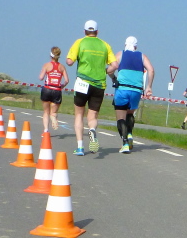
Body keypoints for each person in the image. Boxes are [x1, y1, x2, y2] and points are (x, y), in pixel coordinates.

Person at [66, 19, 118, 156]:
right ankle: (92, 130)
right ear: (97, 32)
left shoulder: (79, 42)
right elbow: (115, 65)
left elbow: (69, 62)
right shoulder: (105, 45)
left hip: (82, 82)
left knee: (79, 114)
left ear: (84, 31)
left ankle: (80, 147)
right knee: (93, 115)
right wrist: (105, 71)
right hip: (99, 84)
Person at [109, 36, 154, 153]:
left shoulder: (121, 54)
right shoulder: (142, 56)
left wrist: (113, 77)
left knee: (120, 117)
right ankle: (129, 134)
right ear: (136, 47)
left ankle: (125, 143)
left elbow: (111, 69)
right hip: (136, 90)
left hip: (122, 89)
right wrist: (149, 87)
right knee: (130, 113)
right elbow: (151, 70)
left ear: (125, 45)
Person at [38, 46, 69, 132]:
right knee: (53, 112)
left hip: (47, 89)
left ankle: (46, 130)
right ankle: (54, 118)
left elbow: (41, 78)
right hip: (57, 90)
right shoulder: (62, 67)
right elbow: (67, 80)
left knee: (46, 112)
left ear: (50, 55)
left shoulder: (46, 65)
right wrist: (62, 86)